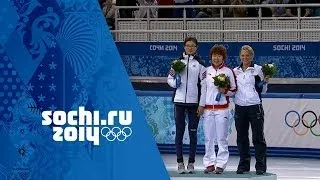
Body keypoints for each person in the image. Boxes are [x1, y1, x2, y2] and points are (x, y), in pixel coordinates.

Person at [167, 37, 207, 174]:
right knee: (179, 132)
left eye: (193, 46)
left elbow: (204, 85)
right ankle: (179, 162)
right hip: (179, 102)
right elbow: (169, 78)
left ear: (196, 48)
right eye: (188, 45)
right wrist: (175, 83)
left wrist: (201, 104)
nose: (190, 48)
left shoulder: (201, 64)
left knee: (193, 133)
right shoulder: (177, 63)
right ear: (184, 47)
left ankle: (191, 162)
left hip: (193, 103)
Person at [233, 45, 269, 175]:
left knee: (258, 137)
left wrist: (265, 82)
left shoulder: (258, 69)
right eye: (242, 55)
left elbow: (263, 90)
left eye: (247, 55)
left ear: (252, 56)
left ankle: (260, 166)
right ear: (240, 56)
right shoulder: (235, 71)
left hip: (255, 106)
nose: (245, 58)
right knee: (241, 137)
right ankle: (244, 165)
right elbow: (232, 89)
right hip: (239, 106)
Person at [201, 45, 237, 174]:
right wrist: (201, 106)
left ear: (223, 57)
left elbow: (234, 90)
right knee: (208, 138)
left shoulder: (228, 71)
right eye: (214, 55)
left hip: (222, 109)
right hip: (208, 109)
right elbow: (203, 90)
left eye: (219, 55)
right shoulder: (206, 70)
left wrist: (225, 91)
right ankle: (209, 163)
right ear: (211, 57)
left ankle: (221, 163)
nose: (216, 58)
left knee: (222, 138)